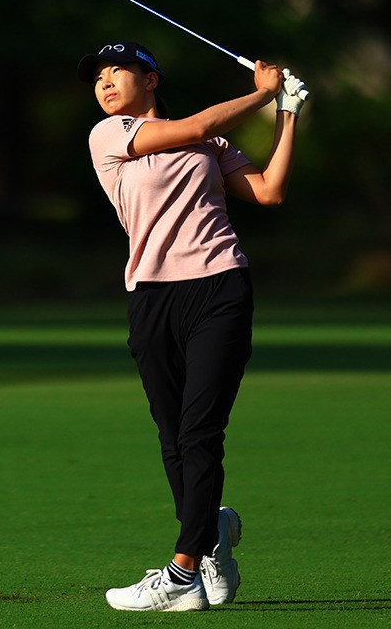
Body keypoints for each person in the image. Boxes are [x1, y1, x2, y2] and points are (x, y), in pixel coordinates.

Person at [80, 41, 308, 612]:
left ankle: (183, 574)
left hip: (220, 288)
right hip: (150, 296)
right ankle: (211, 535)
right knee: (172, 436)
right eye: (99, 78)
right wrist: (261, 92)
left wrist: (287, 114)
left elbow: (268, 191)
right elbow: (189, 128)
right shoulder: (108, 136)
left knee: (200, 431)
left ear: (151, 79)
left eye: (119, 72)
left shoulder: (211, 142)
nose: (105, 84)